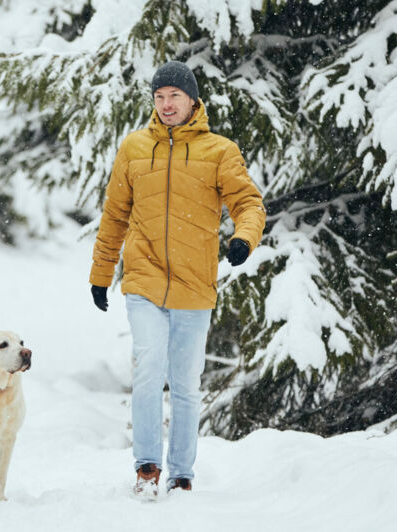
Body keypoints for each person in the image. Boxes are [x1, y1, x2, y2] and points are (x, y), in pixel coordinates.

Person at [88, 60, 266, 498]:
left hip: (194, 284)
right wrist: (101, 273)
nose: (166, 105)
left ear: (192, 100)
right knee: (149, 367)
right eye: (160, 97)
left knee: (186, 384)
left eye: (175, 96)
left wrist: (244, 239)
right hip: (144, 278)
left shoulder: (219, 151)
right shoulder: (134, 148)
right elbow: (114, 216)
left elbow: (249, 203)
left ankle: (181, 474)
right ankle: (147, 467)